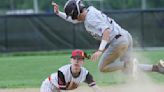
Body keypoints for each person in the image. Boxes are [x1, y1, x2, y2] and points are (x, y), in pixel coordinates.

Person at [51, 0, 164, 75]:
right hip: (125, 36)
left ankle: (129, 63)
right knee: (127, 70)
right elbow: (74, 21)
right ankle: (157, 68)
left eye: (72, 15)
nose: (73, 18)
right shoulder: (89, 11)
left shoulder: (90, 19)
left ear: (77, 13)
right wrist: (58, 13)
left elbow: (106, 31)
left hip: (118, 41)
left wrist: (100, 50)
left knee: (102, 67)